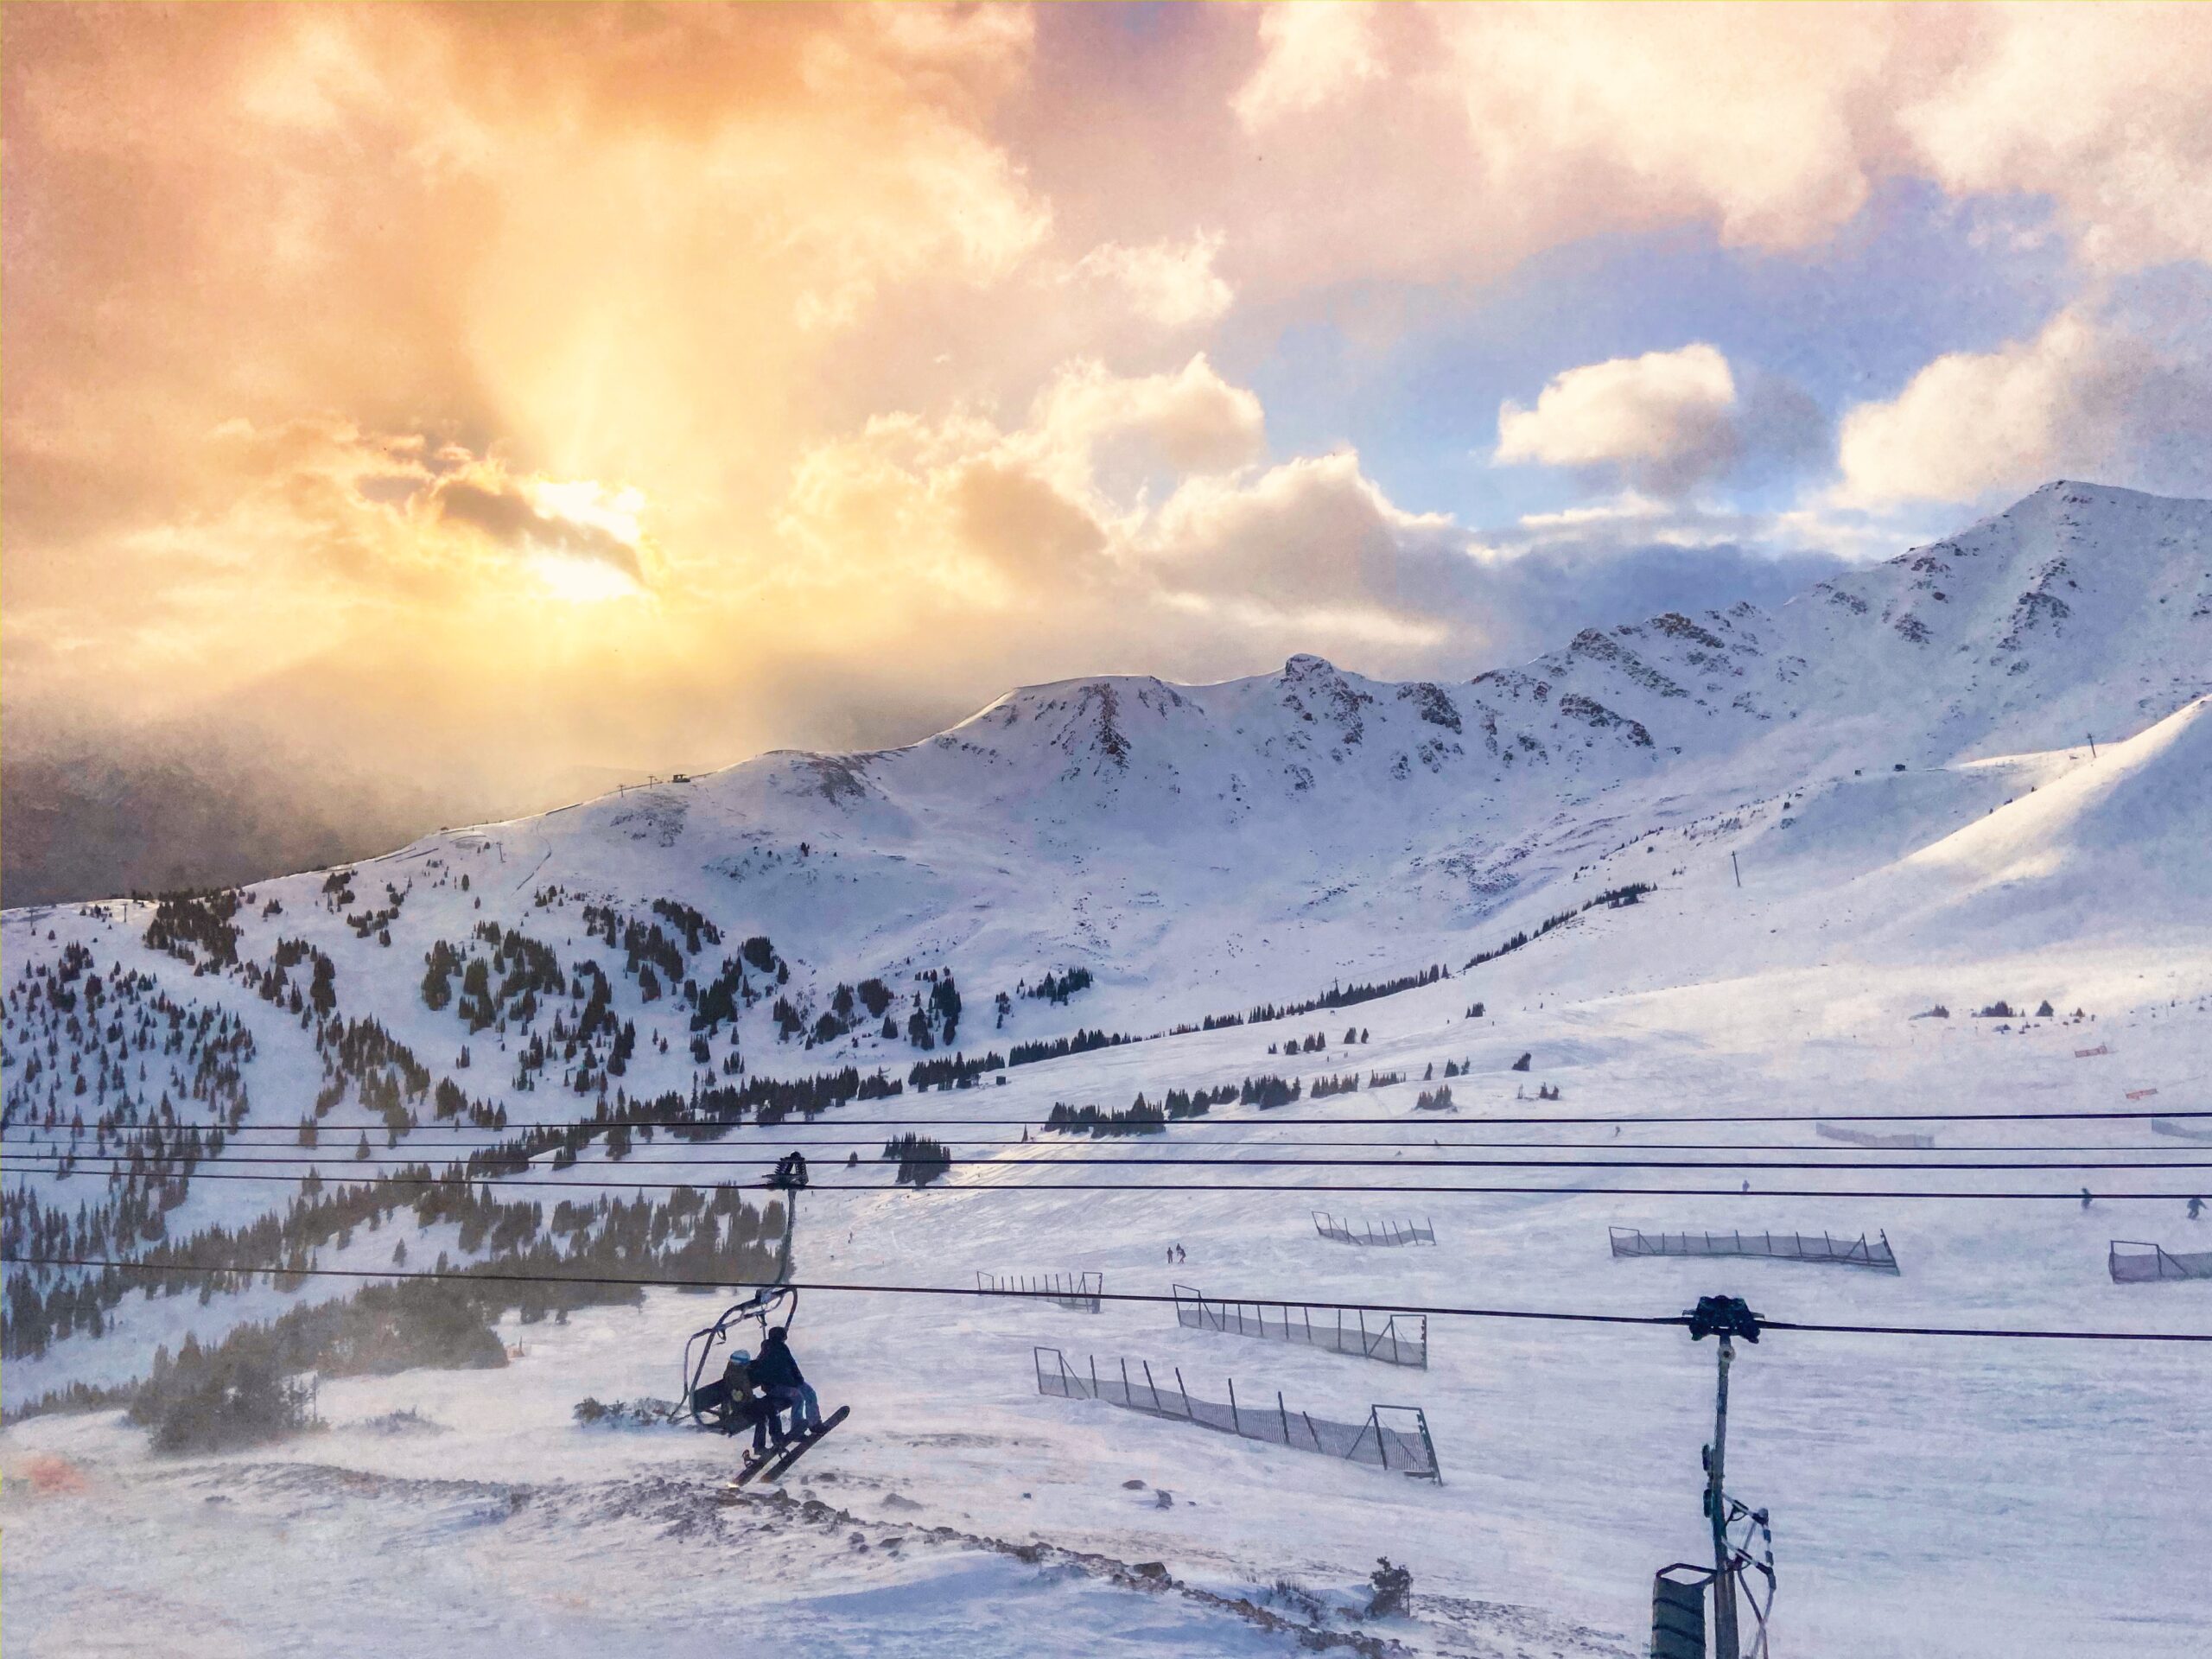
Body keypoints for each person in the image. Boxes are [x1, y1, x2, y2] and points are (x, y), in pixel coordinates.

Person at [751, 1325, 820, 1453]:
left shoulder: (781, 1349)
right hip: (776, 1387)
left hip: (789, 1383)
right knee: (798, 1397)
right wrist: (795, 1381)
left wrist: (798, 1380)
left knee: (809, 1392)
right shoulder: (769, 1351)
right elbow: (773, 1374)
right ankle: (797, 1428)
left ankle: (814, 1423)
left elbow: (792, 1367)